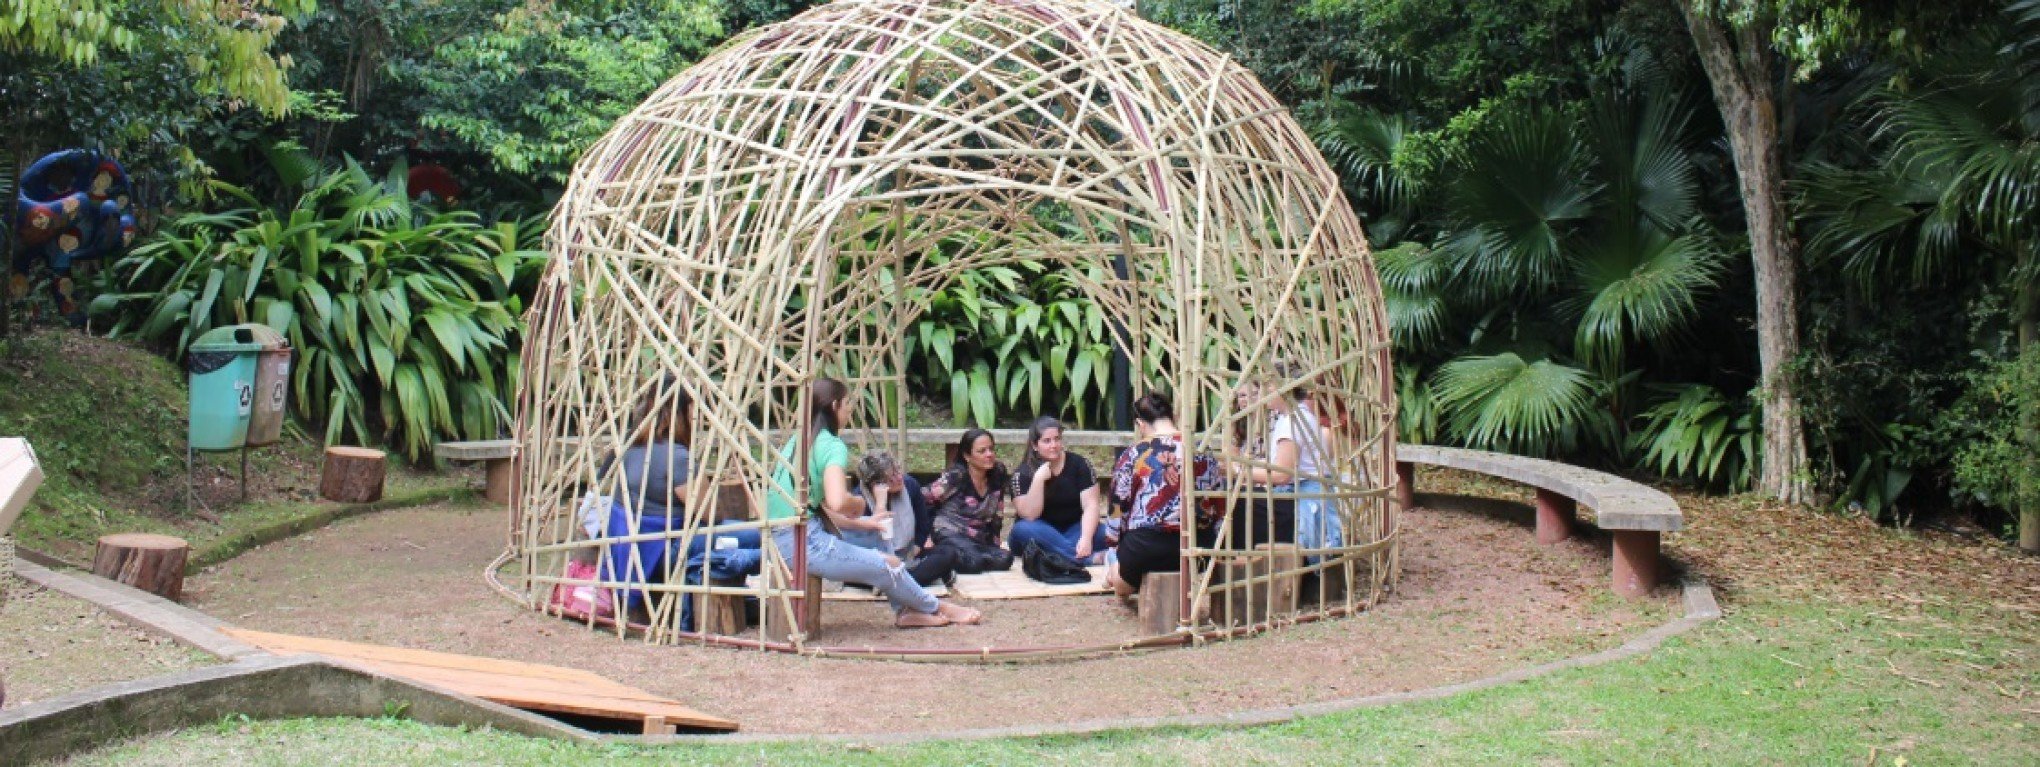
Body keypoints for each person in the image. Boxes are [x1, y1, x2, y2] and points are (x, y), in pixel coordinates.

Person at [764, 378, 980, 627]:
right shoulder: (831, 446)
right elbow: (837, 502)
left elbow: (817, 509)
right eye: (847, 404)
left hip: (790, 536)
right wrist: (857, 504)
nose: (849, 411)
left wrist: (868, 523)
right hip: (803, 544)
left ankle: (906, 612)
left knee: (879, 536)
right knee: (889, 564)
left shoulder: (798, 441)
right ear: (834, 406)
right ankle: (936, 606)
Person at [1106, 392, 1225, 597]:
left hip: (1144, 547)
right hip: (1198, 546)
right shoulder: (1201, 452)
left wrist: (1113, 543)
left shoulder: (1134, 454)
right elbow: (1218, 503)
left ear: (1140, 424)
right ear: (1173, 417)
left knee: (1120, 584)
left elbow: (1118, 505)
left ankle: (1115, 573)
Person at [1007, 416, 1111, 565]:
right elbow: (1030, 515)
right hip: (1038, 531)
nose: (1053, 445)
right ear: (1035, 445)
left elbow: (1091, 506)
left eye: (1057, 439)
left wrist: (1086, 538)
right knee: (1022, 529)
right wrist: (1038, 480)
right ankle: (1087, 559)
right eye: (1047, 441)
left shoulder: (1079, 464)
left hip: (1074, 530)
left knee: (1104, 533)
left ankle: (1059, 553)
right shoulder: (1022, 474)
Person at [845, 451, 959, 587]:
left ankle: (890, 583)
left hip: (908, 555)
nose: (899, 477)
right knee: (850, 569)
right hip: (874, 559)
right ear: (877, 484)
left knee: (948, 553)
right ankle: (904, 582)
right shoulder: (858, 499)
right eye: (892, 476)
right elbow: (869, 543)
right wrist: (880, 505)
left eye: (898, 470)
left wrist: (917, 547)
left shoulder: (910, 485)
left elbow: (923, 524)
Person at [922, 429, 1016, 574]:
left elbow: (998, 512)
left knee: (1005, 558)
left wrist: (995, 543)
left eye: (991, 449)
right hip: (949, 531)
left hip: (976, 537)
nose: (989, 454)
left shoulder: (998, 472)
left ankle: (963, 557)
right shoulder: (956, 476)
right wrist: (924, 536)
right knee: (974, 562)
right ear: (967, 456)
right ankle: (937, 554)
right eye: (982, 451)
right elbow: (922, 498)